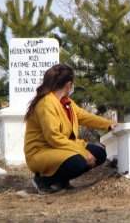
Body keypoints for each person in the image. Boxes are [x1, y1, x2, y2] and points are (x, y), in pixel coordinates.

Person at [24, 64, 119, 194]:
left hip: (59, 148)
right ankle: (43, 180)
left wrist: (109, 124)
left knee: (99, 154)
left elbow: (85, 117)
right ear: (69, 84)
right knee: (78, 162)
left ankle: (61, 179)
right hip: (42, 151)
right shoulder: (46, 103)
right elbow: (54, 138)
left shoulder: (66, 102)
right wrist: (82, 151)